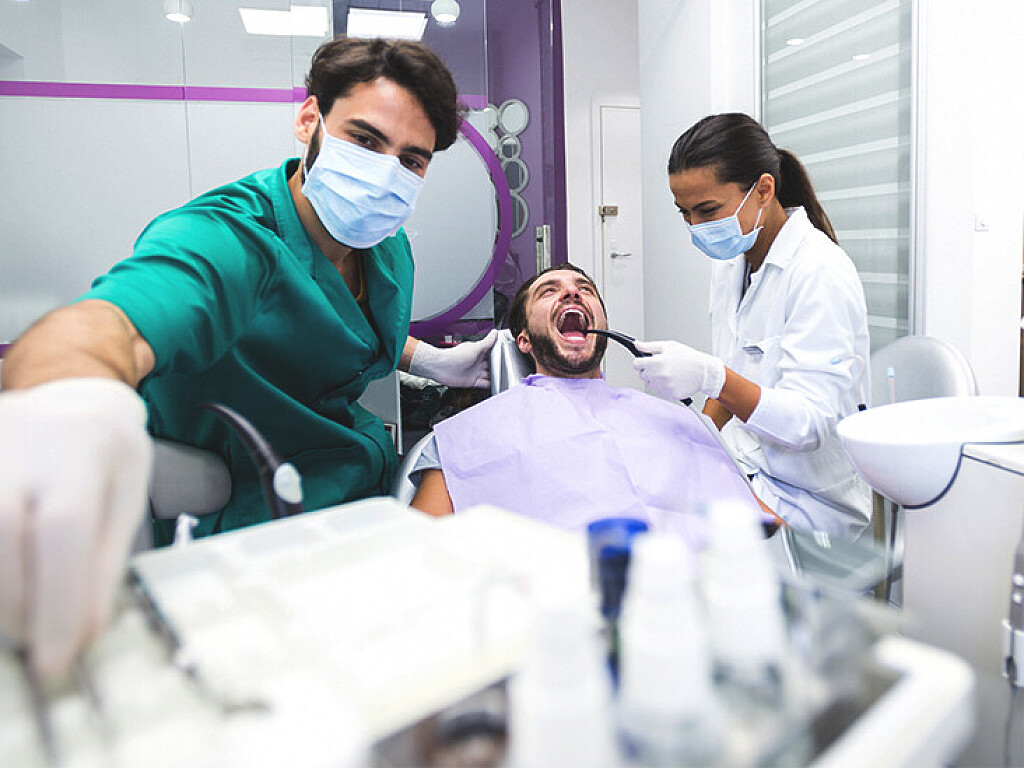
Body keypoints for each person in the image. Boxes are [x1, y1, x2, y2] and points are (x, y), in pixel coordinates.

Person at [0, 37, 497, 680]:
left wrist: (426, 360)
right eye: (364, 140)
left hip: (356, 496)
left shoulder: (388, 248)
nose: (384, 175)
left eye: (411, 160)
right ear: (309, 120)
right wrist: (65, 406)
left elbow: (344, 326)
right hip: (248, 523)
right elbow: (112, 325)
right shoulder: (229, 239)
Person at [409, 264, 773, 542]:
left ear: (604, 331)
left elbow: (764, 528)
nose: (572, 293)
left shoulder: (674, 420)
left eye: (585, 289)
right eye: (549, 291)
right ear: (524, 340)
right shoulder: (466, 436)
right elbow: (418, 554)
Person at [633, 113, 870, 536]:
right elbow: (738, 372)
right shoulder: (732, 265)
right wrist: (699, 438)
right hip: (751, 470)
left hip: (811, 502)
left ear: (763, 190)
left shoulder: (819, 271)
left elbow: (809, 425)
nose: (696, 228)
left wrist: (712, 376)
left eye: (707, 210)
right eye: (684, 213)